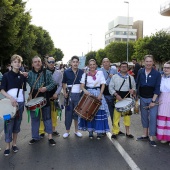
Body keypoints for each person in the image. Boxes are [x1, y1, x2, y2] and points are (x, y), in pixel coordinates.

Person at [0, 54, 26, 156]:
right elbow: (2, 90)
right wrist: (10, 98)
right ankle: (7, 146)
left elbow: (23, 91)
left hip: (20, 104)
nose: (17, 63)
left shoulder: (22, 76)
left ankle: (14, 144)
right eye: (15, 62)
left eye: (19, 62)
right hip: (9, 104)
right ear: (11, 63)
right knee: (8, 125)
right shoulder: (6, 76)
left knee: (16, 125)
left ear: (21, 63)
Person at [27, 56, 56, 146]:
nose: (37, 63)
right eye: (35, 62)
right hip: (34, 97)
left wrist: (46, 88)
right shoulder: (30, 74)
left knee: (47, 118)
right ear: (32, 64)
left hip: (44, 96)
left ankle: (50, 137)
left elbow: (53, 83)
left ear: (41, 63)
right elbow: (27, 84)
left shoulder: (47, 72)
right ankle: (35, 137)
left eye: (39, 61)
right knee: (35, 119)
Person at [79, 59, 110, 139]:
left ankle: (99, 132)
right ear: (88, 66)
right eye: (91, 64)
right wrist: (85, 91)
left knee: (99, 113)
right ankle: (90, 132)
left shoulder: (100, 73)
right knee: (89, 112)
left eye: (94, 64)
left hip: (98, 93)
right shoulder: (85, 74)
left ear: (96, 65)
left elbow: (103, 84)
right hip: (89, 94)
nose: (92, 66)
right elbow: (82, 86)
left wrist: (100, 94)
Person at [136, 55, 161, 147]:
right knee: (144, 116)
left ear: (153, 62)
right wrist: (136, 96)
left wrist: (153, 101)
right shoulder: (140, 71)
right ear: (144, 62)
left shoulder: (157, 74)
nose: (148, 63)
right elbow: (137, 83)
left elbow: (157, 88)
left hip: (153, 98)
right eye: (147, 61)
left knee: (153, 117)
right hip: (142, 97)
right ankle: (145, 135)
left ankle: (151, 137)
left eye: (150, 61)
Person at [109, 62, 136, 139]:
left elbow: (134, 87)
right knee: (116, 117)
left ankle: (128, 132)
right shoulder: (115, 77)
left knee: (127, 117)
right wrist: (116, 95)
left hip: (127, 99)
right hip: (118, 98)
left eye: (125, 66)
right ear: (119, 68)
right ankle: (115, 132)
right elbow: (110, 87)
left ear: (127, 68)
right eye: (122, 66)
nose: (124, 68)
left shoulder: (131, 78)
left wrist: (133, 91)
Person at [39, 57, 62, 138]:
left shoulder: (58, 73)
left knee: (53, 114)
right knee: (43, 115)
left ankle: (53, 130)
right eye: (50, 62)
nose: (51, 63)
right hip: (44, 96)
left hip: (54, 96)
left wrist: (56, 93)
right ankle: (41, 131)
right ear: (46, 62)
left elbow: (60, 85)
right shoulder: (42, 72)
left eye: (53, 62)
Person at [62, 56, 83, 138]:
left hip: (79, 95)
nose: (75, 63)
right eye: (73, 62)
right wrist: (64, 92)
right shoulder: (66, 72)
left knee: (77, 113)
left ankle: (76, 131)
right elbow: (63, 83)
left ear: (78, 63)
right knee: (68, 113)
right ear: (71, 63)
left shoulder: (81, 72)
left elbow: (83, 84)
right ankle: (67, 131)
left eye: (76, 62)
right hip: (69, 95)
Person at [157, 61, 170, 144]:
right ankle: (164, 137)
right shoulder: (161, 77)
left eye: (168, 67)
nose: (165, 69)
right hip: (162, 99)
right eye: (164, 67)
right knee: (163, 118)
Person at [101, 58, 117, 124]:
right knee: (103, 112)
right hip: (104, 93)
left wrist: (114, 77)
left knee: (114, 112)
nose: (106, 63)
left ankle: (116, 129)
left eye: (107, 62)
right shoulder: (100, 71)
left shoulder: (114, 70)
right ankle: (103, 130)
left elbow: (118, 79)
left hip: (112, 93)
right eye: (104, 62)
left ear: (109, 62)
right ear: (102, 63)